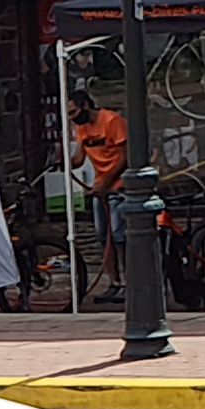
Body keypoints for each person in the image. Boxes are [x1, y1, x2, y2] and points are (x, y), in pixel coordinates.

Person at [70, 87, 130, 302]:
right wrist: (63, 161)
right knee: (104, 238)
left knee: (119, 235)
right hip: (100, 189)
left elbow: (125, 157)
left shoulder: (112, 121)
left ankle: (129, 282)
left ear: (85, 105)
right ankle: (115, 282)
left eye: (74, 113)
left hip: (118, 187)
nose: (73, 119)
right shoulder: (82, 128)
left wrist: (106, 182)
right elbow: (79, 157)